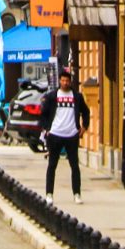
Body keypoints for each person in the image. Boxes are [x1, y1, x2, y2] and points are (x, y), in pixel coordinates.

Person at [39, 68, 90, 203]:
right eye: (63, 80)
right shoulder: (52, 96)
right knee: (52, 165)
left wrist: (84, 127)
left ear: (70, 81)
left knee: (74, 165)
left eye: (67, 81)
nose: (65, 83)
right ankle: (49, 194)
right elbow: (43, 114)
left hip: (72, 134)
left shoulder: (77, 97)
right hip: (55, 134)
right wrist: (46, 130)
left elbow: (86, 112)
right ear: (60, 81)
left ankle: (77, 194)